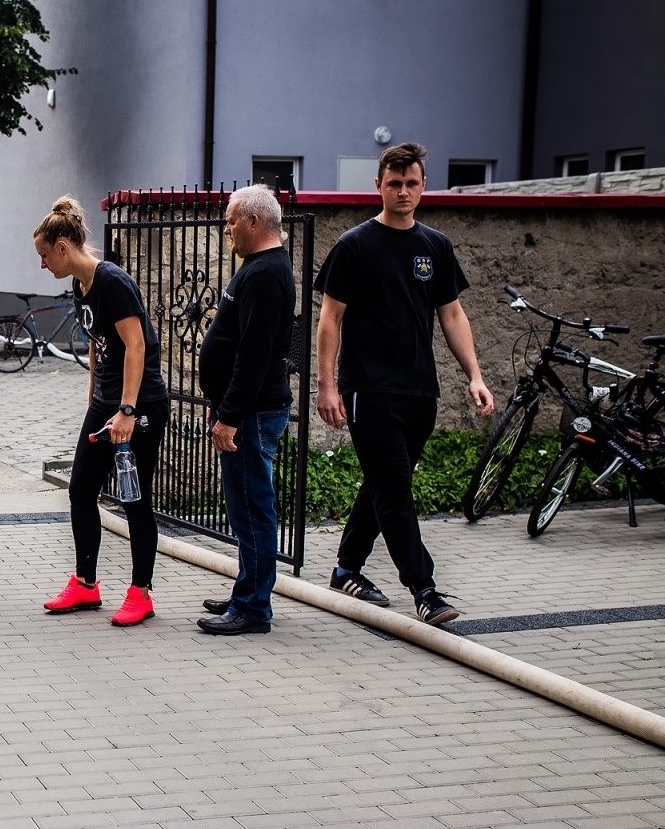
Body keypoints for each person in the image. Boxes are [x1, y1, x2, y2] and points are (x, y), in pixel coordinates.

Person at [315, 142, 493, 626]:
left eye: (411, 183)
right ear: (378, 186)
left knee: (384, 482)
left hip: (420, 391)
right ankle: (425, 588)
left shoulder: (435, 246)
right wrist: (326, 386)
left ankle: (346, 567)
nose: (403, 191)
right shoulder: (354, 245)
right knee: (395, 490)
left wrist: (474, 375)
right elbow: (330, 319)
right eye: (394, 183)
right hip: (368, 391)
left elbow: (452, 314)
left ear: (422, 186)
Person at [35, 196, 170, 626]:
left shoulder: (111, 280)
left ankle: (141, 592)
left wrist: (127, 409)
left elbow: (136, 345)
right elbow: (98, 344)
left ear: (62, 246)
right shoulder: (79, 285)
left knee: (134, 499)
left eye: (43, 255)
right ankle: (86, 584)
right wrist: (95, 400)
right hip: (105, 405)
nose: (42, 265)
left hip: (140, 403)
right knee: (80, 490)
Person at [195, 186, 296, 636]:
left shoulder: (265, 275)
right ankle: (247, 590)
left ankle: (254, 607)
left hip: (250, 416)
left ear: (255, 222)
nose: (227, 228)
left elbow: (254, 356)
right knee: (243, 509)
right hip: (246, 412)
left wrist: (230, 416)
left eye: (232, 220)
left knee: (253, 510)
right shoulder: (260, 269)